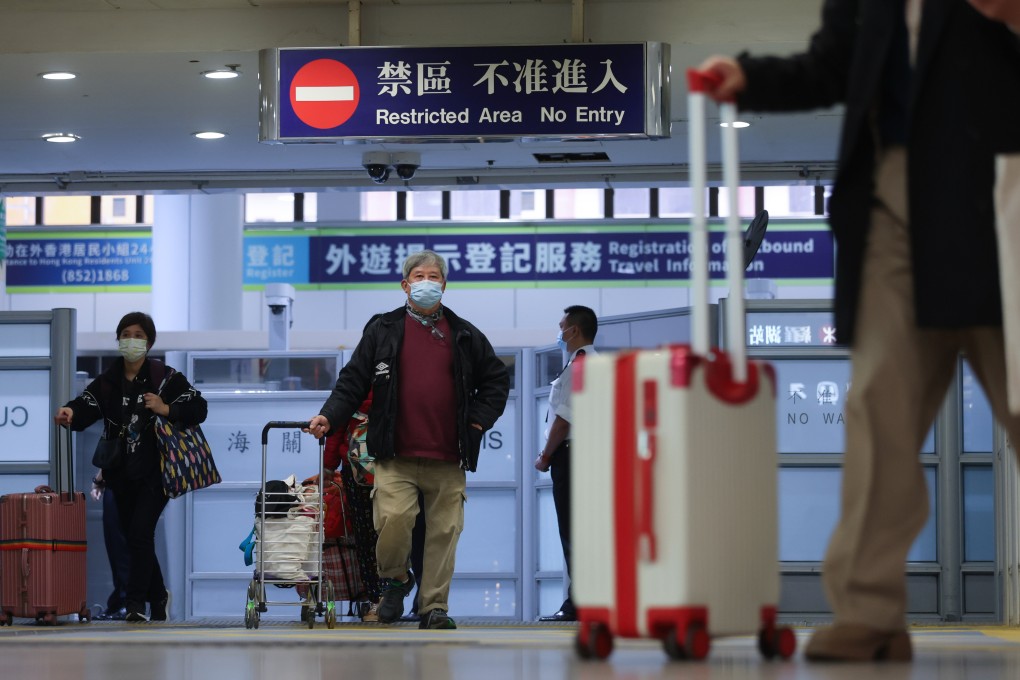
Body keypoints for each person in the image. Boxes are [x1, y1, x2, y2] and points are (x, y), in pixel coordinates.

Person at [697, 0, 1020, 662]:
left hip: (1004, 183)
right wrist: (748, 76)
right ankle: (870, 610)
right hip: (894, 200)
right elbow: (832, 66)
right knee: (879, 409)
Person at [305, 250, 510, 630]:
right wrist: (328, 417)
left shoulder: (464, 334)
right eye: (419, 276)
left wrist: (478, 423)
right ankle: (396, 578)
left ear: (444, 285)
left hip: (449, 455)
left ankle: (433, 607)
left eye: (434, 276)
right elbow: (352, 381)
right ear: (405, 284)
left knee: (444, 532)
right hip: (395, 452)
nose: (427, 282)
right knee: (394, 520)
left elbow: (496, 380)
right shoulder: (383, 328)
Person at [55, 311, 208, 623]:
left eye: (139, 335)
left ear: (149, 342)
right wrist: (70, 412)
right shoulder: (108, 381)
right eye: (127, 334)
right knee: (133, 534)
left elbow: (198, 407)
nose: (132, 340)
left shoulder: (165, 378)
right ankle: (159, 594)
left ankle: (136, 603)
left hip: (156, 472)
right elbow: (86, 405)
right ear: (118, 339)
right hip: (119, 473)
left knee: (139, 532)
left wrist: (166, 408)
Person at [535, 305, 598, 623]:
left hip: (571, 455)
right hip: (586, 456)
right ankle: (586, 599)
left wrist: (545, 456)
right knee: (583, 531)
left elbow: (563, 419)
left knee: (572, 530)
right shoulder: (587, 363)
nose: (559, 333)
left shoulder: (581, 365)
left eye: (562, 327)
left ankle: (579, 604)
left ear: (573, 330)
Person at [89, 472, 131, 620]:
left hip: (121, 485)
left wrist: (98, 479)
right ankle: (124, 600)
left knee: (118, 545)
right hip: (131, 483)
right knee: (122, 545)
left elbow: (112, 453)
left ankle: (126, 601)